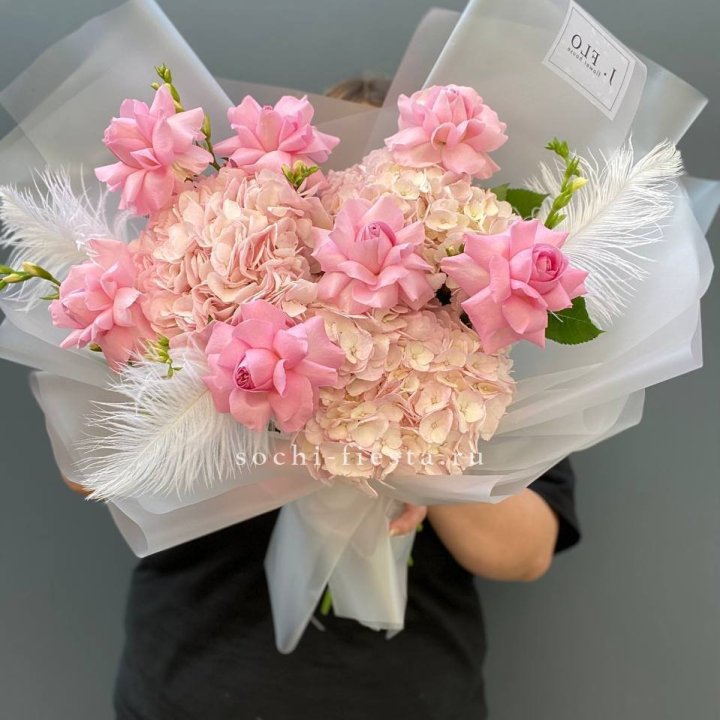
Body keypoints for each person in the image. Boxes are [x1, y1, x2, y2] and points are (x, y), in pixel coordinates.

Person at [64, 77, 581, 720]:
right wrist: (245, 389)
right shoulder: (197, 308)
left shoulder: (483, 351)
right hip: (192, 682)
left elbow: (524, 554)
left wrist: (412, 455)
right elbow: (91, 469)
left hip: (407, 697)